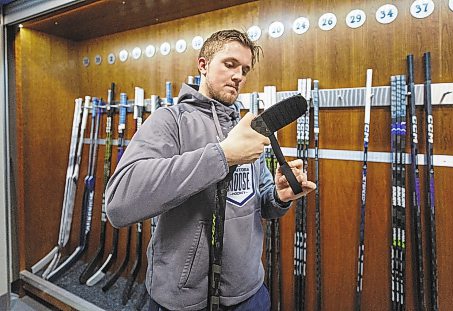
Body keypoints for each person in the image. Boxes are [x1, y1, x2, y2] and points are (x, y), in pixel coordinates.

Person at [105, 29, 316, 311]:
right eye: (230, 64)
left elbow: (261, 202)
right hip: (182, 300)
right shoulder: (171, 121)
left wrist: (279, 196)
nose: (239, 75)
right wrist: (224, 155)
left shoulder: (247, 129)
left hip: (249, 293)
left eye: (245, 69)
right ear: (203, 65)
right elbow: (119, 203)